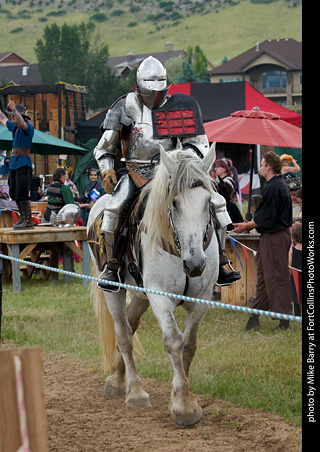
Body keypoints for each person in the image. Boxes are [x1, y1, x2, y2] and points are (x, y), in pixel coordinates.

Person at [93, 55, 240, 291]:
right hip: (136, 171)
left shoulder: (180, 107)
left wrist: (185, 162)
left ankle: (221, 261)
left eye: (159, 90)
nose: (154, 96)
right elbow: (103, 148)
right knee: (114, 207)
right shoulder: (123, 107)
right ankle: (113, 266)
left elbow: (199, 144)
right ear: (140, 85)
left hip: (175, 172)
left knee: (217, 202)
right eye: (150, 90)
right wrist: (107, 169)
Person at [232, 151, 292, 332]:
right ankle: (254, 317)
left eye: (262, 164)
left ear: (269, 167)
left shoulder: (275, 187)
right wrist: (250, 223)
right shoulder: (274, 185)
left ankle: (284, 322)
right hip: (271, 238)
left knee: (277, 278)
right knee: (265, 279)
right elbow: (265, 216)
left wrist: (247, 225)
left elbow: (265, 217)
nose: (260, 167)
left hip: (276, 238)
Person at [0, 99, 35, 229]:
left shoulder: (27, 128)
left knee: (22, 192)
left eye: (13, 115)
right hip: (14, 163)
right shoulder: (14, 127)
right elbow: (3, 119)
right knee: (14, 191)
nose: (11, 117)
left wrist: (14, 109)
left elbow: (22, 124)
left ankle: (28, 220)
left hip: (23, 163)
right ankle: (23, 218)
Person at [212, 158, 243, 230]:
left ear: (224, 169)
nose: (215, 169)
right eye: (215, 167)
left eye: (218, 167)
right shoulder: (222, 180)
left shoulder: (227, 181)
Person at [288, 223, 302, 317]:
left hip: (295, 277)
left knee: (296, 298)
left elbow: (289, 266)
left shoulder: (291, 250)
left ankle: (297, 316)